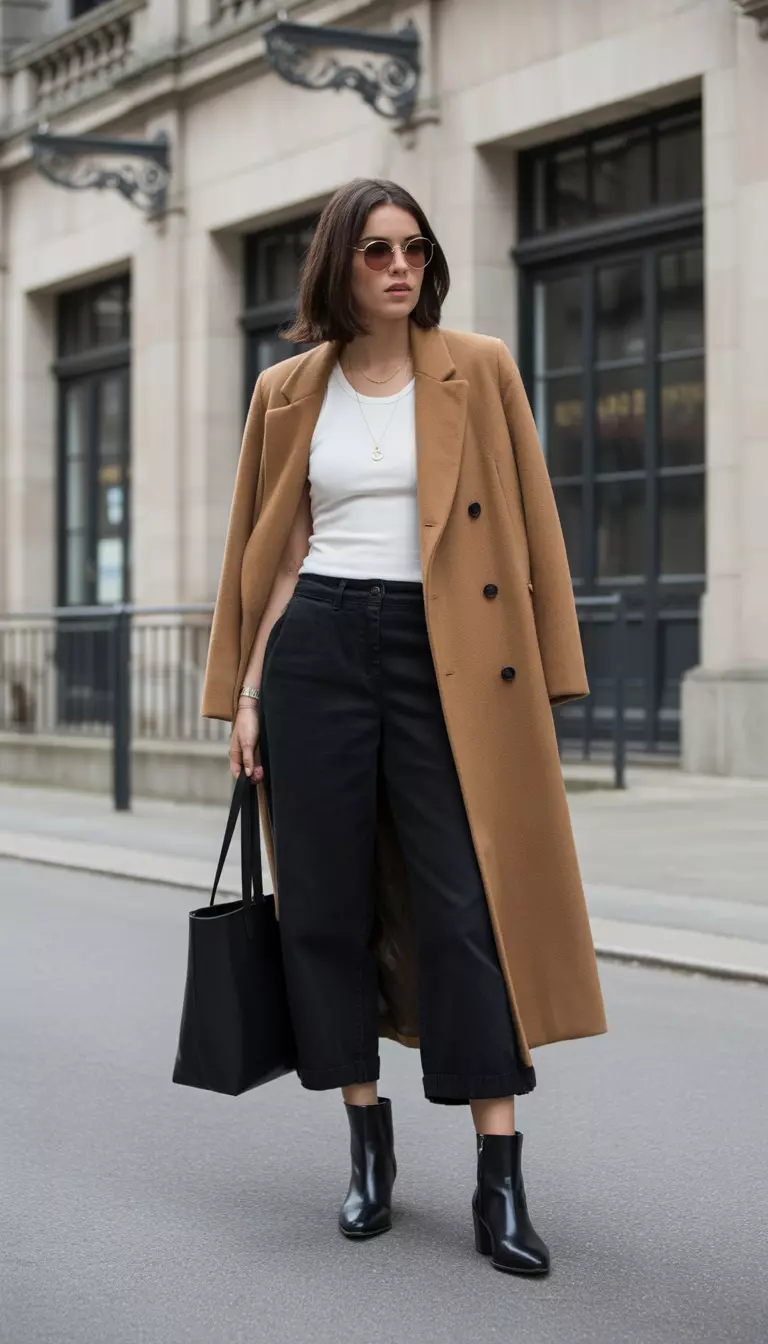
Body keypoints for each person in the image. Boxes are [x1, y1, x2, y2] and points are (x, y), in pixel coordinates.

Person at [201, 177, 607, 1276]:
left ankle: (499, 1177)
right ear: (338, 264)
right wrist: (242, 695)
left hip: (452, 656)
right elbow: (269, 551)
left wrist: (553, 677)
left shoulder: (478, 368)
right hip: (318, 648)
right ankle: (367, 1148)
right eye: (377, 250)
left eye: (415, 249)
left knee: (462, 903)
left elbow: (532, 522)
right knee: (322, 907)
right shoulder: (287, 389)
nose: (399, 267)